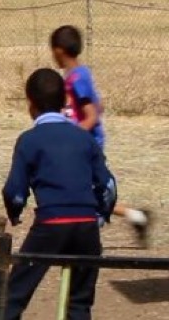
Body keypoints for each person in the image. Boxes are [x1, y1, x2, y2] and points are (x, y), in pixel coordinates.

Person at [3, 68, 116, 320]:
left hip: (51, 224)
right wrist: (100, 215)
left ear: (30, 104)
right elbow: (108, 185)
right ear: (65, 101)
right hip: (86, 227)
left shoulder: (29, 140)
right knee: (79, 302)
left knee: (14, 295)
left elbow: (14, 192)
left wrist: (15, 213)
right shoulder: (84, 138)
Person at [50, 25, 153, 246]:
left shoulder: (77, 78)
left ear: (59, 50)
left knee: (81, 193)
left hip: (86, 146)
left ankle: (87, 232)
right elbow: (98, 105)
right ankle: (136, 216)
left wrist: (71, 136)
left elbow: (91, 115)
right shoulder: (78, 74)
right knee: (87, 193)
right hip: (83, 144)